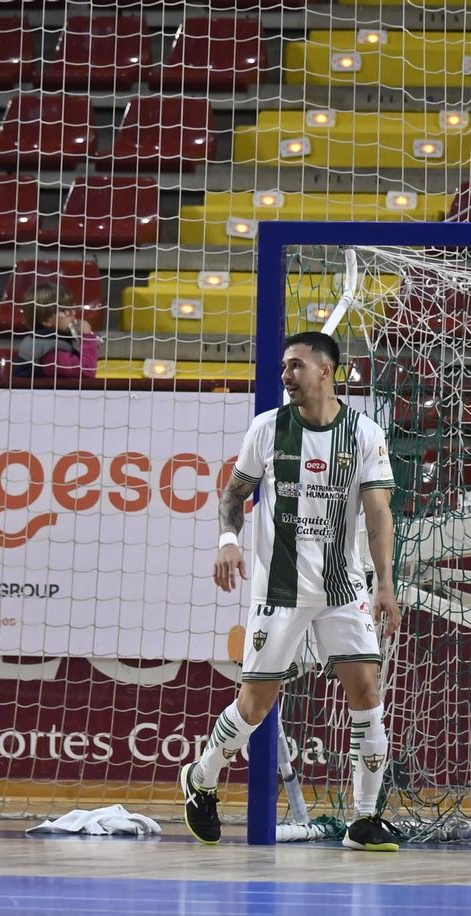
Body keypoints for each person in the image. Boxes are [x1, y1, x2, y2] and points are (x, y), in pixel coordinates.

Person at [180, 331, 404, 851]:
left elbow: (378, 514)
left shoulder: (365, 434)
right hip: (278, 589)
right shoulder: (267, 429)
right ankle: (202, 777)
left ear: (327, 371)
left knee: (367, 691)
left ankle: (365, 818)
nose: (286, 375)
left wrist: (385, 582)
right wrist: (228, 540)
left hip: (342, 586)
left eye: (295, 366)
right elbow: (232, 495)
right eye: (284, 366)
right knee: (256, 705)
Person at [14, 284, 99, 379]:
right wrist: (87, 337)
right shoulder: (50, 353)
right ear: (46, 320)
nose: (73, 313)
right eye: (65, 310)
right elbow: (87, 371)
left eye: (72, 308)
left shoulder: (43, 341)